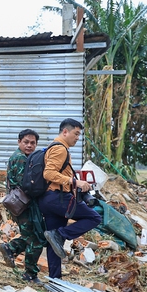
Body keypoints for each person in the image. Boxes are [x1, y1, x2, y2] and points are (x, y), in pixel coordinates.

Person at [39, 119, 101, 279]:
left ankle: (55, 279)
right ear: (65, 132)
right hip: (58, 198)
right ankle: (61, 234)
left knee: (53, 242)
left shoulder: (55, 147)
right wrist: (74, 182)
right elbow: (48, 173)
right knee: (94, 217)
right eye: (76, 134)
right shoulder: (60, 149)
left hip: (49, 199)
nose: (78, 138)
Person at [0, 129, 48, 283]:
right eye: (26, 142)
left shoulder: (21, 157)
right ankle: (30, 274)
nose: (29, 145)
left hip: (20, 205)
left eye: (33, 143)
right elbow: (26, 185)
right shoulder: (21, 158)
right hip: (23, 205)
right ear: (19, 142)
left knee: (30, 236)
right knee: (36, 240)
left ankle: (11, 248)